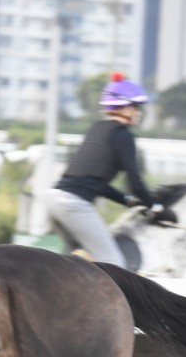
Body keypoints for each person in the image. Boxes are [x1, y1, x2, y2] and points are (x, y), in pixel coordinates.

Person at [45, 72, 173, 269]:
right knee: (116, 264)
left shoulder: (98, 128)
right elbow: (135, 182)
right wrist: (156, 208)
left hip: (54, 198)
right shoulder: (123, 136)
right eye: (136, 107)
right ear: (124, 107)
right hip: (74, 205)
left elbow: (97, 182)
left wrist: (127, 201)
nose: (138, 112)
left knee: (78, 264)